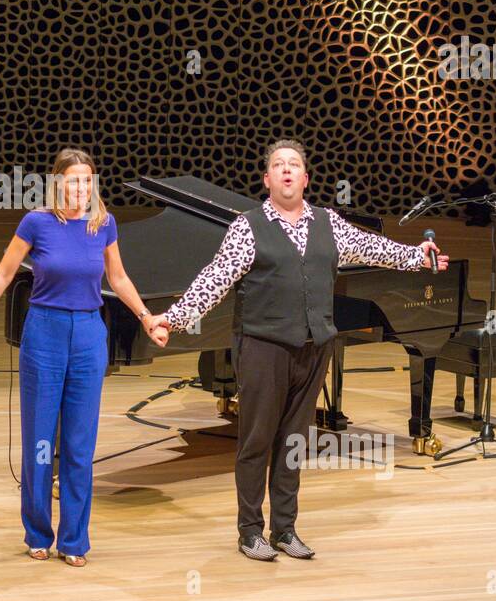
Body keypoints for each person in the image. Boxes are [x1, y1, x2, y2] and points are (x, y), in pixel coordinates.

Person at [150, 139, 449, 562]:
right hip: (263, 348)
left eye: (294, 165)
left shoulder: (329, 222)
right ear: (267, 179)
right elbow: (214, 279)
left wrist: (418, 257)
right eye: (278, 165)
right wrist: (175, 318)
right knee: (256, 440)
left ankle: (285, 529)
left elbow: (375, 248)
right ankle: (250, 530)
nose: (287, 170)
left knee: (293, 441)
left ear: (305, 178)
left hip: (315, 346)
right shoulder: (248, 226)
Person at [0, 148, 168, 567]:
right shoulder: (37, 222)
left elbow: (118, 277)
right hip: (45, 332)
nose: (81, 188)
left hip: (90, 334)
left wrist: (146, 317)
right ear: (58, 184)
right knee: (40, 440)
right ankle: (38, 532)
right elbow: (3, 273)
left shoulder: (104, 224)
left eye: (88, 181)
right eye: (74, 180)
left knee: (79, 443)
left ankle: (74, 539)